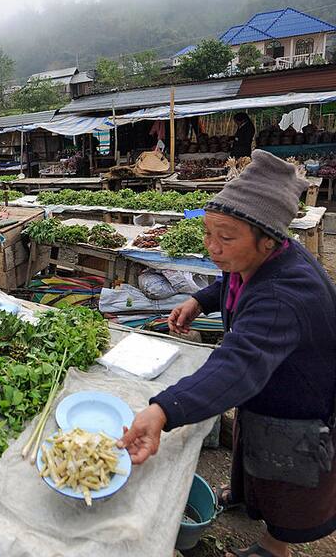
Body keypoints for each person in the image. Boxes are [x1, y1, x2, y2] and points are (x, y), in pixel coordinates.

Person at [119, 150, 336, 557]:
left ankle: (275, 546)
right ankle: (241, 495)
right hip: (267, 387)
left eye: (226, 237)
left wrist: (164, 409)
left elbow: (236, 363)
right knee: (250, 442)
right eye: (208, 233)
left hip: (297, 399)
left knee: (283, 473)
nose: (212, 247)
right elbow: (231, 283)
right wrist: (200, 302)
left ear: (267, 238)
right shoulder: (257, 258)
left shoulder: (283, 295)